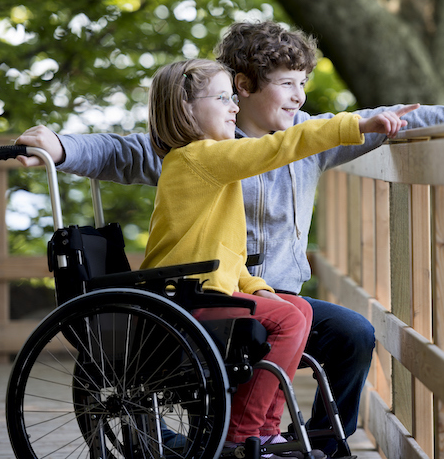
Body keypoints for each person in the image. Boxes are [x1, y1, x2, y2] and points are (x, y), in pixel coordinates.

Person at [16, 20, 444, 457]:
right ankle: (241, 436)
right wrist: (61, 147)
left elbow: (395, 116)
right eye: (287, 84)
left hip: (267, 291)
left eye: (302, 84)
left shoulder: (308, 138)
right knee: (279, 326)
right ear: (242, 88)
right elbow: (117, 150)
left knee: (355, 334)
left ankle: (319, 443)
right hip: (203, 297)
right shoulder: (191, 149)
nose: (299, 98)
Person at [137, 57, 415, 458]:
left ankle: (266, 430)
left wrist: (262, 288)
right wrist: (352, 126)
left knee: (295, 308)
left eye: (234, 97)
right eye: (222, 98)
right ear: (187, 110)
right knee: (287, 318)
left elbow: (224, 259)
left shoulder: (211, 166)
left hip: (207, 290)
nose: (234, 106)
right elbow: (280, 147)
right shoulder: (198, 158)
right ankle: (243, 432)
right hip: (184, 302)